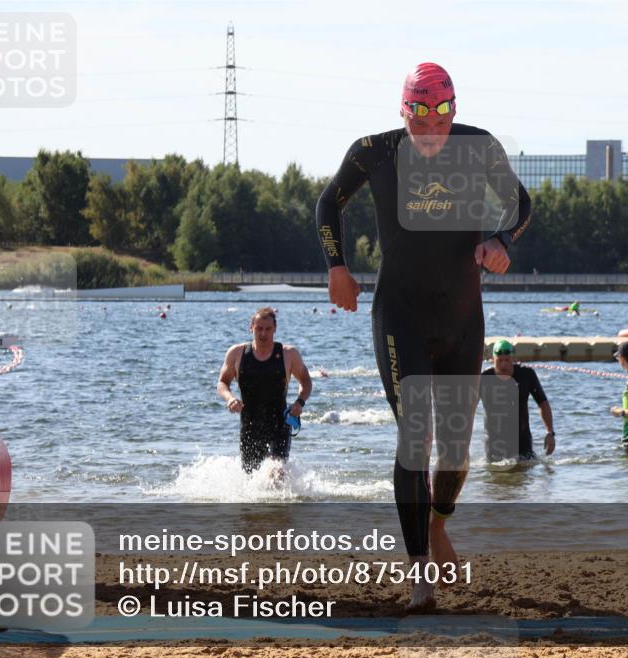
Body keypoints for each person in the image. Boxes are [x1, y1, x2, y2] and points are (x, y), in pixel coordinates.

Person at [315, 63, 531, 611]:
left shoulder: (479, 148)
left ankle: (439, 525)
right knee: (417, 439)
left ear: (453, 112)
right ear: (403, 113)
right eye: (419, 121)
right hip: (400, 318)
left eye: (439, 120)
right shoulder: (376, 150)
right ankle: (419, 576)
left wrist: (502, 239)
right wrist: (337, 267)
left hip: (462, 321)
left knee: (455, 450)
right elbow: (328, 203)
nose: (430, 133)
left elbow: (520, 203)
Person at [217, 307, 313, 473]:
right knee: (251, 477)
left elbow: (306, 382)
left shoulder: (288, 354)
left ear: (274, 329)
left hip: (280, 424)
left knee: (276, 471)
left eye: (268, 329)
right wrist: (230, 398)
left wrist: (300, 402)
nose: (263, 334)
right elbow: (222, 383)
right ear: (251, 327)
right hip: (250, 424)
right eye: (259, 328)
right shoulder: (237, 353)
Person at [479, 340, 555, 463]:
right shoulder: (484, 379)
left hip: (522, 441)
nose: (503, 365)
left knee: (523, 479)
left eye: (507, 360)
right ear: (493, 360)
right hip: (494, 443)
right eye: (499, 361)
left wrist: (550, 432)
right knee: (495, 479)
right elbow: (469, 408)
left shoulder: (526, 375)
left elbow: (543, 403)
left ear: (513, 359)